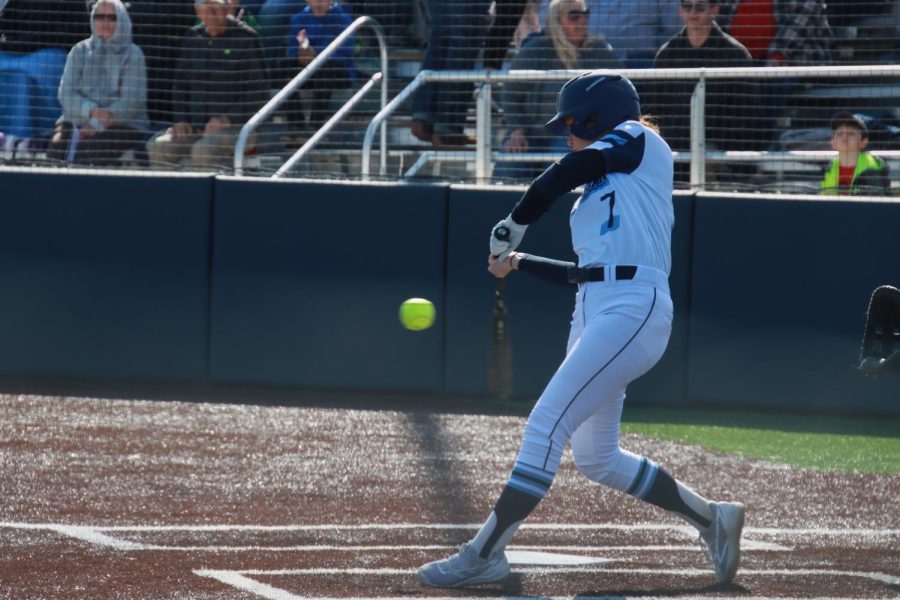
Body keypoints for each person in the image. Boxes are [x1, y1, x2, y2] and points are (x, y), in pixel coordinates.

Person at [417, 72, 745, 588]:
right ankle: (713, 518)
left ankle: (483, 554)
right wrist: (520, 261)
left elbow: (570, 168)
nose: (567, 130)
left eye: (573, 120)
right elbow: (583, 271)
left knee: (545, 423)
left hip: (634, 306)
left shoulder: (640, 140)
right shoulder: (600, 187)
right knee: (597, 457)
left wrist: (516, 221)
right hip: (596, 305)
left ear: (600, 113)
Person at [495, 0, 622, 180]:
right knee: (510, 162)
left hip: (575, 133)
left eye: (585, 15)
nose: (582, 21)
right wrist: (516, 131)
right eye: (574, 16)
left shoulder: (598, 51)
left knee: (559, 166)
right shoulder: (537, 50)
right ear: (557, 20)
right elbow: (510, 92)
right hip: (531, 130)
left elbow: (620, 89)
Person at [646, 0, 761, 187]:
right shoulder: (667, 54)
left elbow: (749, 115)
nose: (693, 12)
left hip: (720, 148)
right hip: (673, 146)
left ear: (714, 10)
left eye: (700, 6)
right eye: (687, 6)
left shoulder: (735, 54)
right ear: (680, 10)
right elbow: (655, 109)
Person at [146, 0, 269, 170]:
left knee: (203, 149)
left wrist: (227, 119)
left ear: (227, 8)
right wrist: (180, 119)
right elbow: (180, 85)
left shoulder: (246, 38)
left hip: (239, 129)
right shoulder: (192, 38)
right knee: (158, 145)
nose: (211, 14)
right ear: (197, 11)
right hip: (196, 127)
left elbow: (260, 93)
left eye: (216, 8)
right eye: (206, 8)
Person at [47, 0, 149, 165]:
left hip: (124, 124)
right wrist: (91, 111)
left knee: (87, 153)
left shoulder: (133, 54)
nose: (105, 22)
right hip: (77, 119)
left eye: (112, 17)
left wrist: (95, 124)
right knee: (57, 148)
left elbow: (132, 102)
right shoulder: (79, 50)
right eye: (100, 17)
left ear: (122, 19)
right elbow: (65, 94)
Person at [0, 0, 90, 149]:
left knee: (22, 78)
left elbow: (77, 33)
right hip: (15, 51)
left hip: (51, 53)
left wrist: (28, 43)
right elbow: (7, 26)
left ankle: (25, 140)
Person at [286, 0, 355, 131]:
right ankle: (296, 125)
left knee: (327, 69)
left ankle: (316, 124)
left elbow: (345, 53)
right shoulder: (298, 18)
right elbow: (292, 51)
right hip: (308, 71)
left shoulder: (343, 19)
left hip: (337, 74)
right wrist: (302, 54)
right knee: (285, 67)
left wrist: (316, 55)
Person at [714, 0, 832, 66]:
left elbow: (802, 19)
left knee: (774, 81)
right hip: (738, 62)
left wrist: (777, 55)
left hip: (791, 60)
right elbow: (713, 16)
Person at [819, 112, 890, 196]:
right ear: (832, 142)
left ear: (864, 142)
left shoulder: (873, 167)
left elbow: (874, 204)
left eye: (851, 134)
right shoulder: (829, 168)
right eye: (839, 134)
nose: (844, 137)